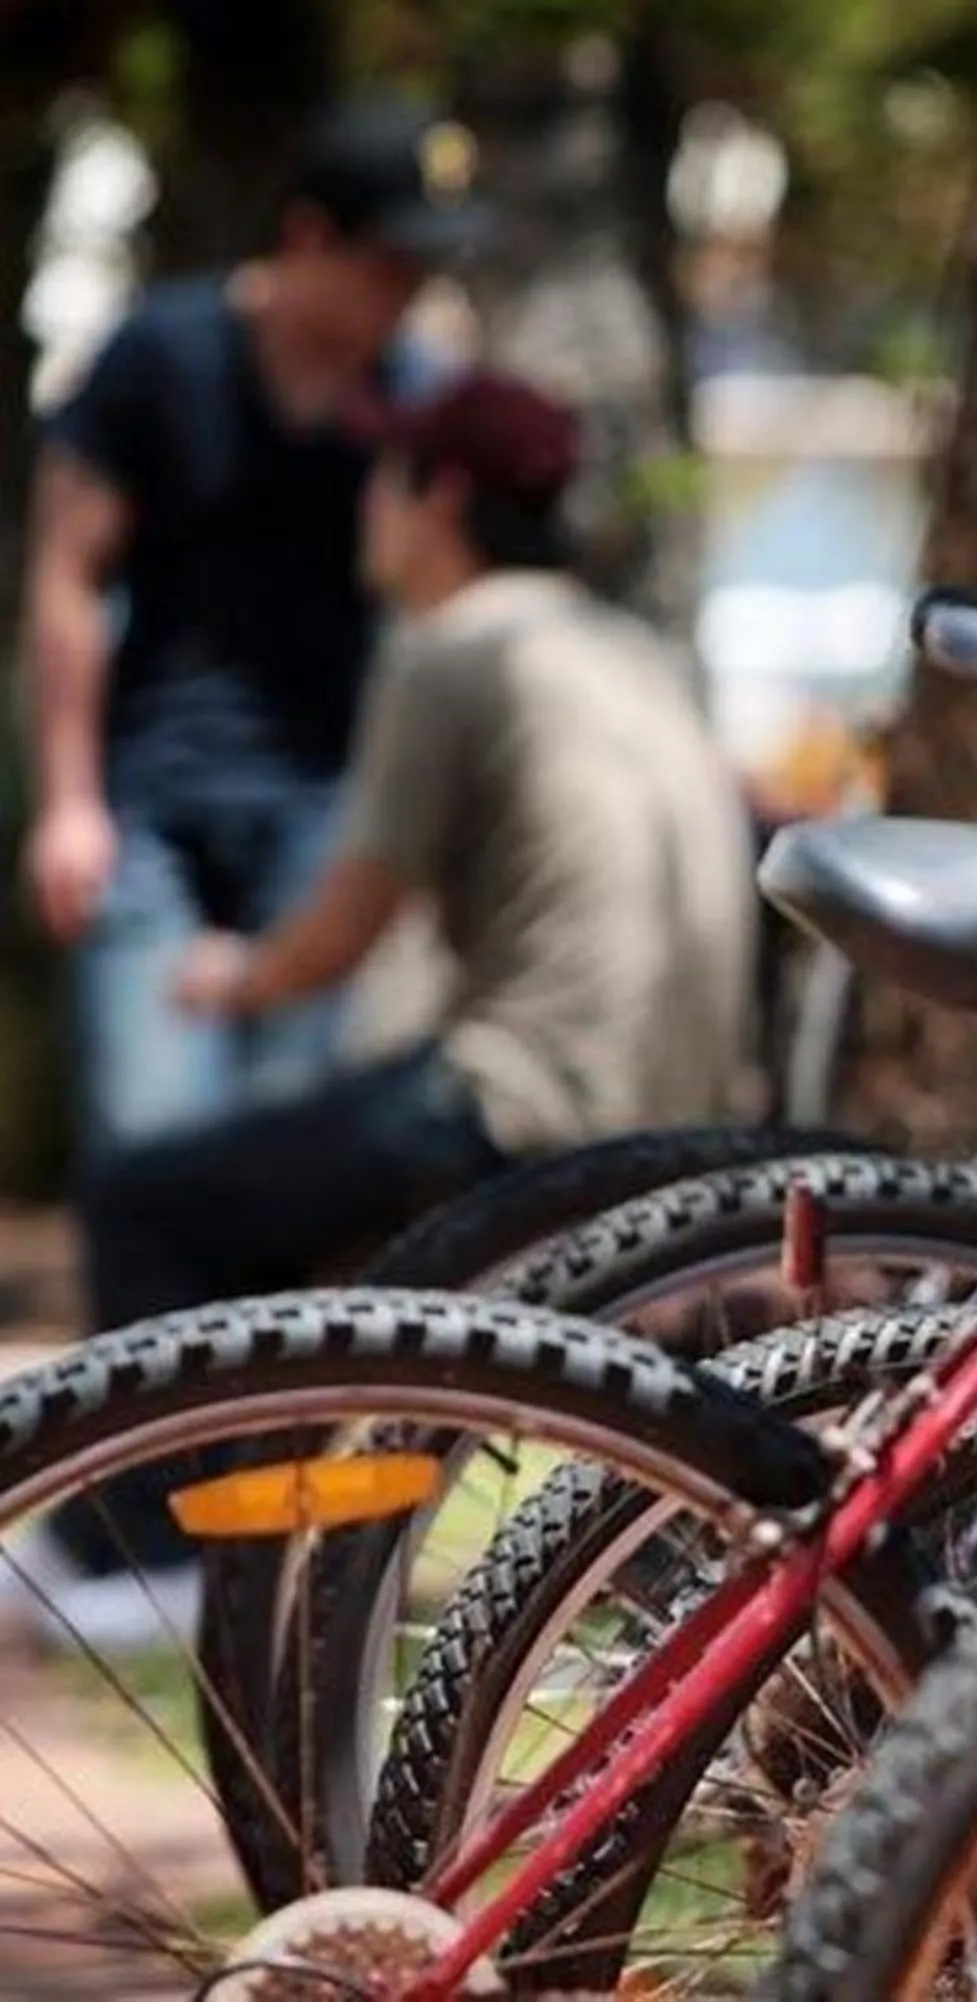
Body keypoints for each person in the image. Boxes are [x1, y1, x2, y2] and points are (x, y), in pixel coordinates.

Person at [33, 370, 759, 1625]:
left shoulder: (457, 648)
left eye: (385, 476)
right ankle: (229, 1529)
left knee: (152, 1199)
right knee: (281, 1196)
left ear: (441, 497)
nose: (365, 504)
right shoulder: (620, 642)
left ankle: (153, 1559)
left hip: (516, 1110)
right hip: (671, 1117)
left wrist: (233, 975)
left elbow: (345, 922)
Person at [20, 98, 483, 1165]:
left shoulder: (412, 398)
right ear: (309, 236)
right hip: (150, 812)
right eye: (389, 264)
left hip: (325, 814)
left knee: (281, 1156)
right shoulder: (158, 356)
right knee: (151, 1138)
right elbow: (67, 574)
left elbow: (441, 613)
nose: (409, 292)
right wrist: (68, 802)